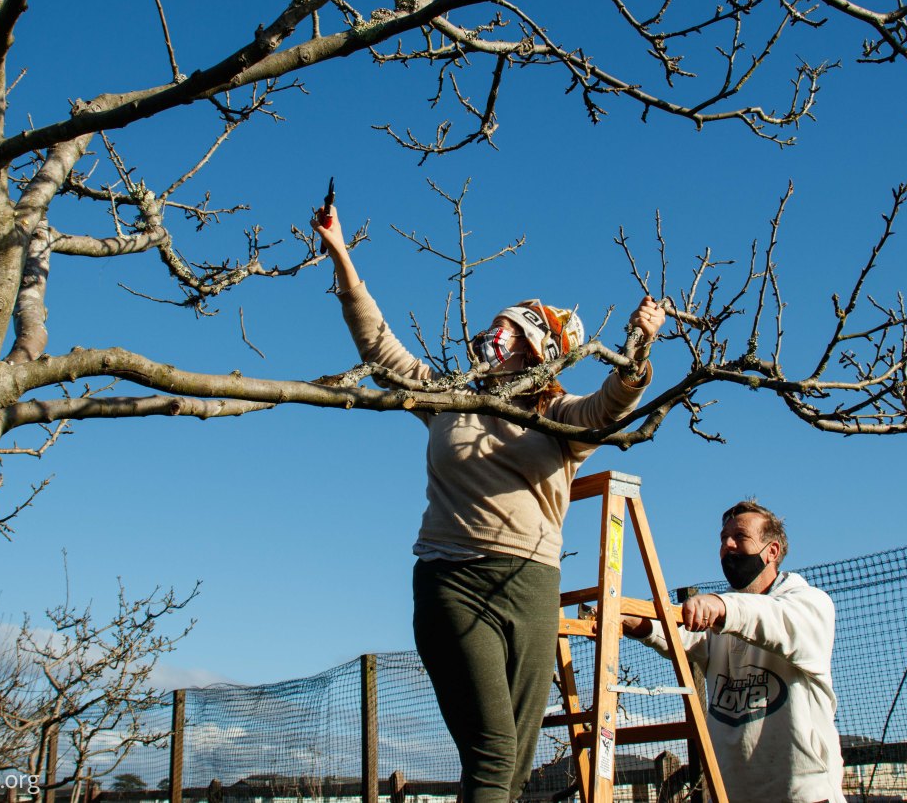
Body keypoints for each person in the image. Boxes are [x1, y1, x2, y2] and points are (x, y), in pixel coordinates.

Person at [313, 202, 666, 803]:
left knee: (515, 767)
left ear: (535, 349)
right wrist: (341, 254)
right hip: (453, 581)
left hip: (532, 588)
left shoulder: (559, 419)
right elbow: (379, 346)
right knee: (493, 751)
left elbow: (608, 407)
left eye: (506, 328)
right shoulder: (448, 398)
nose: (488, 335)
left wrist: (637, 348)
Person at [623, 501, 845, 803]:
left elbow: (772, 619)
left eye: (740, 537)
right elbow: (680, 631)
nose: (727, 545)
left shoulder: (810, 605)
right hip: (733, 794)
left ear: (772, 551)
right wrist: (638, 622)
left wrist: (721, 605)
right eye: (723, 538)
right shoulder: (725, 618)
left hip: (803, 795)